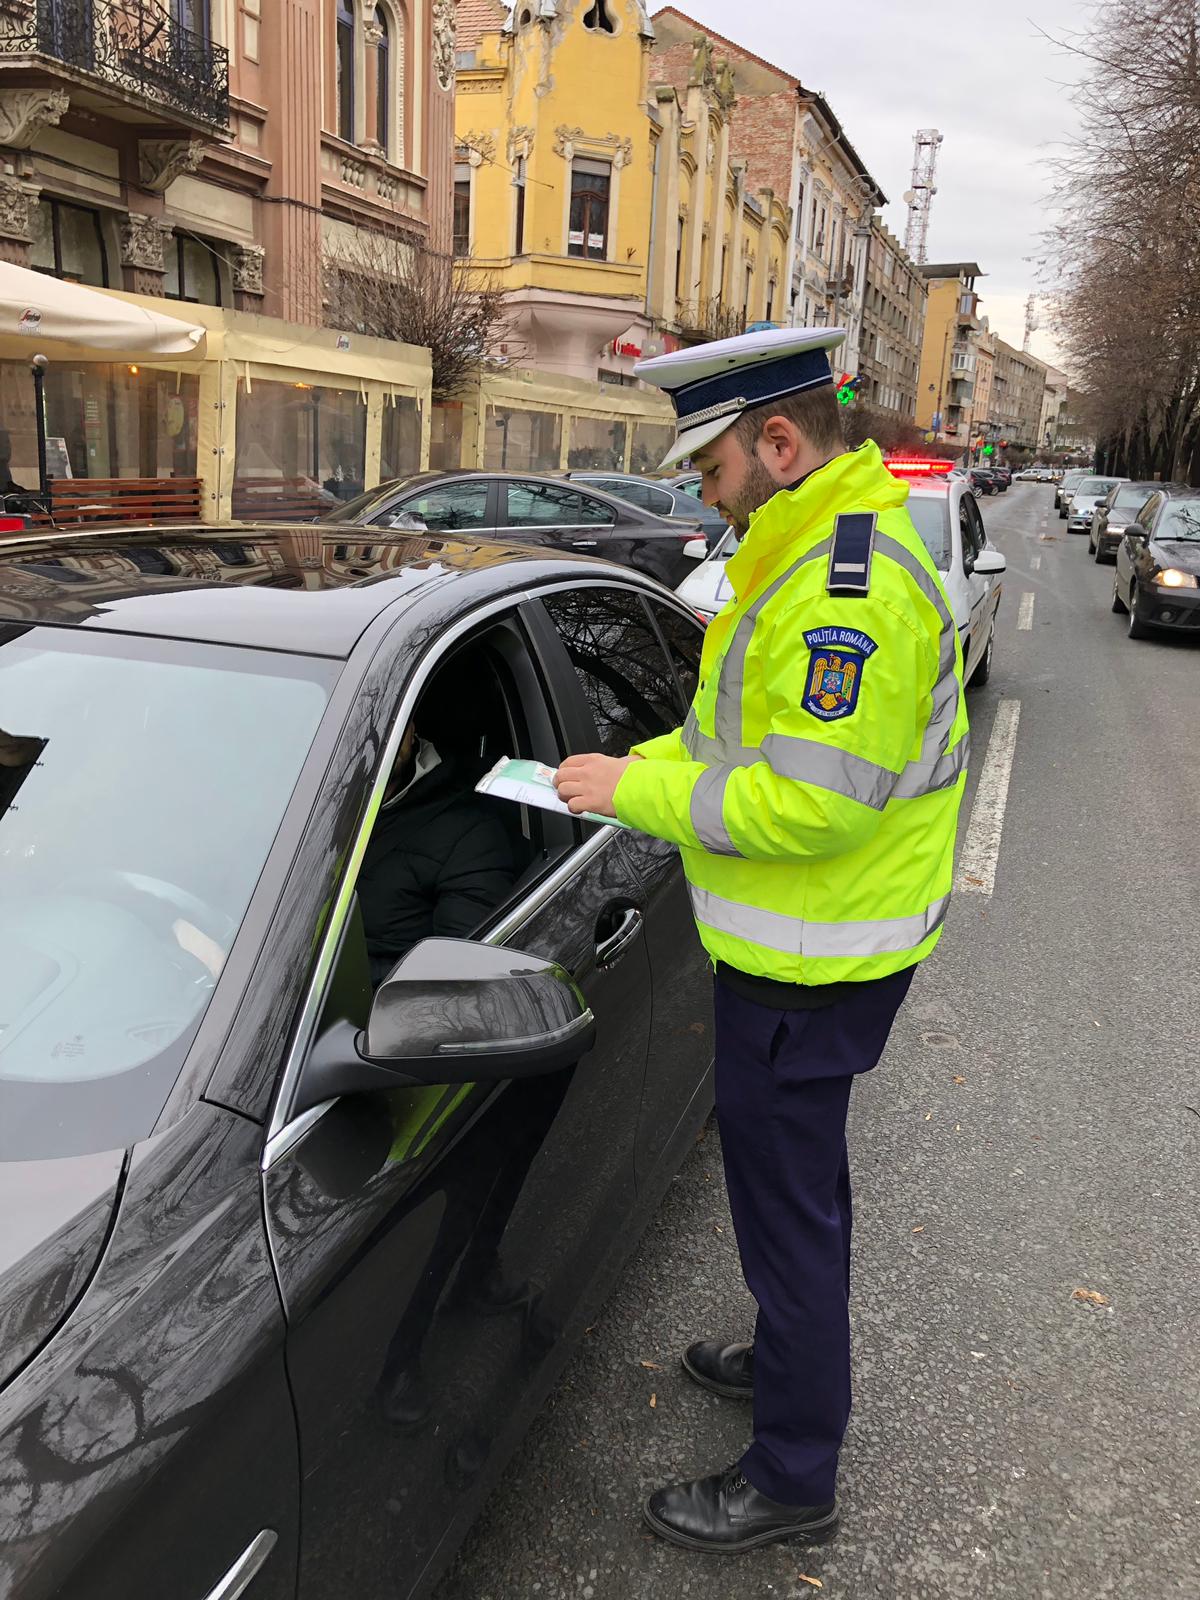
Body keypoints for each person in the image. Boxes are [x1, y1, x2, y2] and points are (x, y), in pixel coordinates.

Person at [554, 326, 968, 1554]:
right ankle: (789, 1359)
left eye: (712, 467)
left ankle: (792, 1478)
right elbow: (731, 742)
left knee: (791, 1219)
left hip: (814, 962)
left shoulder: (850, 589)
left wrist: (637, 793)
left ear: (778, 443)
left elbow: (814, 803)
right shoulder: (798, 556)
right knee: (796, 1195)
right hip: (797, 955)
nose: (703, 494)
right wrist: (628, 766)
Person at [356, 716, 515, 985]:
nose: (378, 737)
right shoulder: (299, 807)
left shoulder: (470, 829)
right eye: (358, 730)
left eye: (391, 724)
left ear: (412, 729)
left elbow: (459, 973)